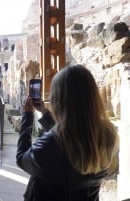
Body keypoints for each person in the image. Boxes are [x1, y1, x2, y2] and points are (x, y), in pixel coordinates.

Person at [16, 64, 119, 201]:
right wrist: (46, 114)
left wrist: (27, 116)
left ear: (59, 101)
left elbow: (22, 159)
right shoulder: (108, 134)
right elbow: (71, 133)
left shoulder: (50, 144)